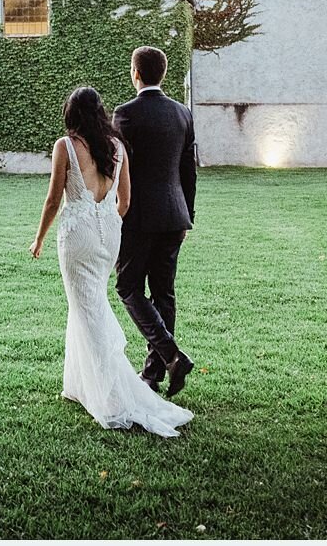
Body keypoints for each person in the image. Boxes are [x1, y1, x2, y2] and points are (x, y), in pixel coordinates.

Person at [30, 85, 194, 437]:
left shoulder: (66, 146)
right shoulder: (117, 147)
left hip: (78, 236)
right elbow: (125, 199)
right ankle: (78, 384)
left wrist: (40, 237)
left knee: (88, 310)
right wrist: (107, 221)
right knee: (88, 305)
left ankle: (115, 396)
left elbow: (52, 200)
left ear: (70, 114)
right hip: (109, 233)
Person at [113, 45, 197, 396]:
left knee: (128, 287)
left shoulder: (125, 114)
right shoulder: (183, 113)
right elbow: (187, 170)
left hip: (138, 218)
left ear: (135, 73)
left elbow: (115, 165)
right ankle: (153, 374)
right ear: (161, 73)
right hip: (175, 216)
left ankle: (170, 355)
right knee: (164, 292)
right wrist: (188, 215)